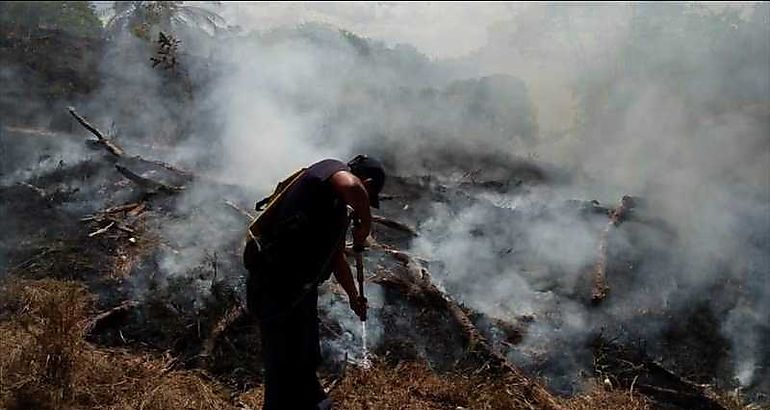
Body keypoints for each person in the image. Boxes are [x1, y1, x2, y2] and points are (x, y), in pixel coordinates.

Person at [243, 155, 386, 410]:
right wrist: (365, 226)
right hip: (275, 285)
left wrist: (354, 298)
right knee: (281, 363)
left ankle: (316, 404)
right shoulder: (329, 169)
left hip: (299, 291)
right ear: (367, 181)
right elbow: (352, 188)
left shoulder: (335, 209)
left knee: (305, 358)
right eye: (368, 194)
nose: (362, 203)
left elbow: (337, 257)